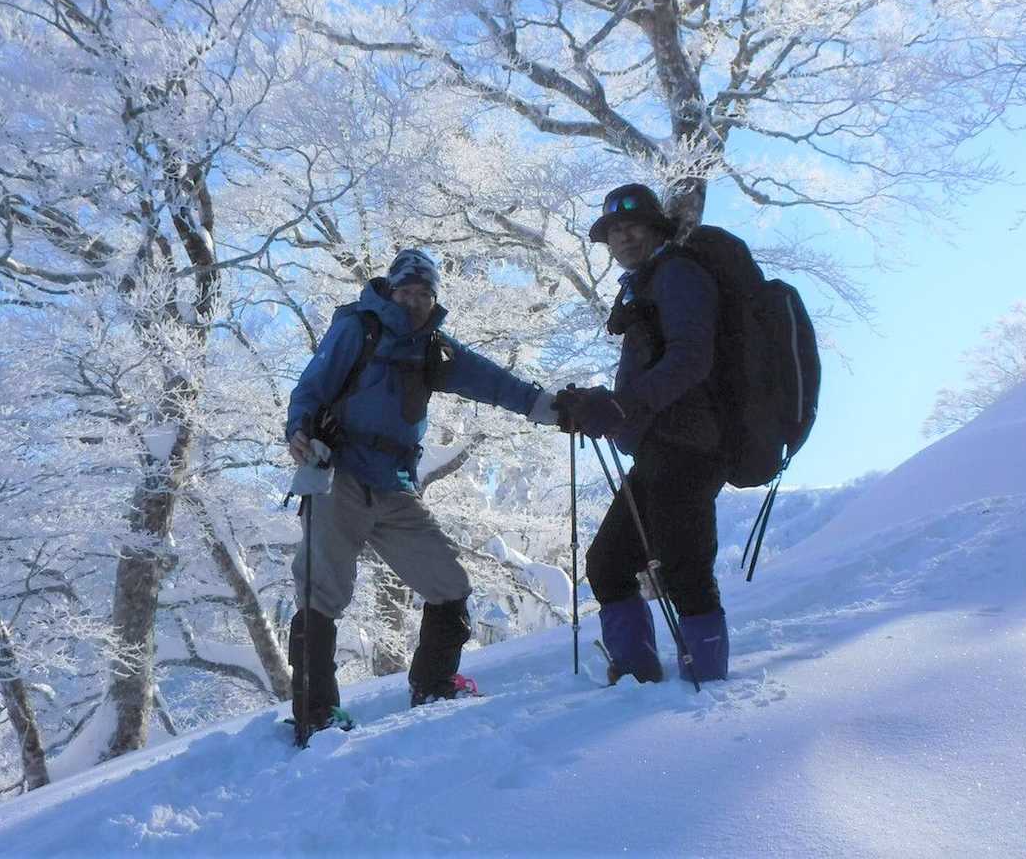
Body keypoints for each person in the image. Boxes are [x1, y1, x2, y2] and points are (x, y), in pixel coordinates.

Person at [286, 247, 559, 734]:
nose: (413, 302)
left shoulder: (434, 348)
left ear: (434, 299)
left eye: (423, 294)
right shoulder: (359, 328)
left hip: (394, 486)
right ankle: (316, 714)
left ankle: (434, 685)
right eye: (406, 292)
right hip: (338, 475)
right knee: (321, 591)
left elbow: (492, 381)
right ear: (391, 292)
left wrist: (550, 408)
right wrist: (299, 430)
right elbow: (312, 386)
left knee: (448, 583)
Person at [556, 184, 730, 685]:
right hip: (658, 446)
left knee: (684, 568)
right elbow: (654, 366)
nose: (623, 237)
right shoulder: (646, 284)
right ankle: (636, 681)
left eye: (633, 226)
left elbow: (692, 358)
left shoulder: (677, 274)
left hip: (692, 443)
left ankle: (708, 687)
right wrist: (598, 403)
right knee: (608, 564)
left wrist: (622, 405)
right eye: (614, 232)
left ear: (657, 228)